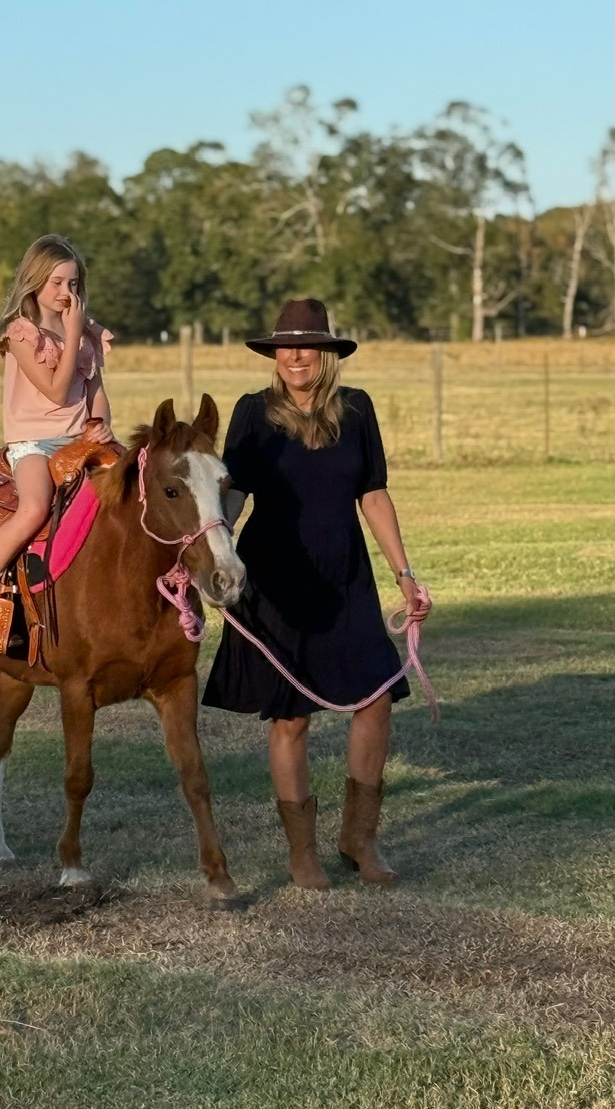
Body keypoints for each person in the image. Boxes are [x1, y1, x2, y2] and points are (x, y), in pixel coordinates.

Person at [202, 298, 432, 890]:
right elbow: (233, 496)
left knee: (376, 699)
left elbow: (373, 495)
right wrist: (213, 555)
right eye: (286, 346)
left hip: (345, 577)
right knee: (290, 718)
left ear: (328, 353)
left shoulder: (356, 410)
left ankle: (359, 838)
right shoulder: (253, 413)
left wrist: (405, 575)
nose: (295, 356)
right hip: (275, 582)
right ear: (274, 353)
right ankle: (301, 853)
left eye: (308, 345)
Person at [0, 233, 115, 642]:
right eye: (57, 282)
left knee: (131, 491)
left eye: (74, 284)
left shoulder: (86, 333)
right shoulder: (22, 334)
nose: (66, 292)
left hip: (81, 439)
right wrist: (74, 333)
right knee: (34, 508)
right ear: (35, 281)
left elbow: (94, 388)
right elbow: (56, 392)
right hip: (35, 442)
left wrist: (101, 424)